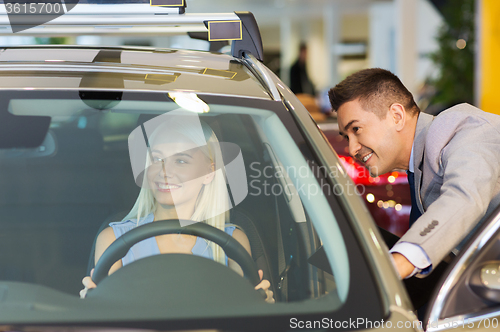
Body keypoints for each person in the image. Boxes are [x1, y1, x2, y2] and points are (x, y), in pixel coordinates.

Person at [80, 112, 274, 302]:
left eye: (180, 161)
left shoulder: (233, 242)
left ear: (209, 172)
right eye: (157, 159)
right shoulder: (113, 239)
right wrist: (93, 308)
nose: (164, 172)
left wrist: (260, 307)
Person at [328, 68, 500, 280]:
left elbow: (465, 197)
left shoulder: (467, 130)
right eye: (346, 137)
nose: (352, 148)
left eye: (356, 129)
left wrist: (397, 264)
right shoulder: (418, 168)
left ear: (397, 116)